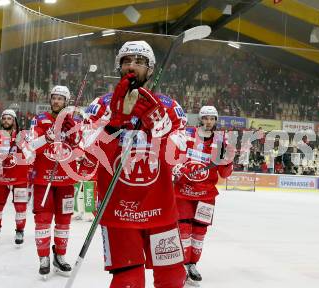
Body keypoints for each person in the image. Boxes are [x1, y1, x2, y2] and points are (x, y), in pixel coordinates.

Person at [82, 40, 188, 287]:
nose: (132, 66)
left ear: (150, 70)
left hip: (160, 209)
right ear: (118, 67)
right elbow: (85, 156)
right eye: (126, 61)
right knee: (128, 280)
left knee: (173, 279)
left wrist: (157, 126)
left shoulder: (169, 107)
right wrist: (113, 123)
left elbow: (179, 152)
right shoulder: (100, 105)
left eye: (139, 62)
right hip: (118, 210)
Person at [172, 106, 233, 285]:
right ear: (200, 119)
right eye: (206, 118)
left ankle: (192, 264)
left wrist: (228, 160)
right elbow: (175, 157)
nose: (209, 121)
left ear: (215, 121)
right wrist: (176, 167)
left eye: (212, 118)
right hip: (183, 191)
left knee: (199, 231)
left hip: (206, 194)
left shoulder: (221, 142)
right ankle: (182, 266)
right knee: (183, 229)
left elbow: (224, 173)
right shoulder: (189, 135)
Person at [26, 85, 79, 278]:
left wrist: (72, 133)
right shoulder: (39, 119)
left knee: (64, 221)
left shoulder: (72, 121)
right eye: (54, 98)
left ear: (67, 101)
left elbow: (78, 148)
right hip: (44, 180)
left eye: (60, 98)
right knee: (42, 220)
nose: (56, 101)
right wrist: (47, 137)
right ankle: (44, 258)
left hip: (65, 181)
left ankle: (60, 256)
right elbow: (30, 145)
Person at [0, 109, 29, 246]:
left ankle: (20, 231)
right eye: (4, 118)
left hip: (19, 178)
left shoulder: (22, 136)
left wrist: (22, 145)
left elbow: (30, 154)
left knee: (20, 207)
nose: (6, 121)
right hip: (1, 179)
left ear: (14, 121)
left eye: (9, 119)